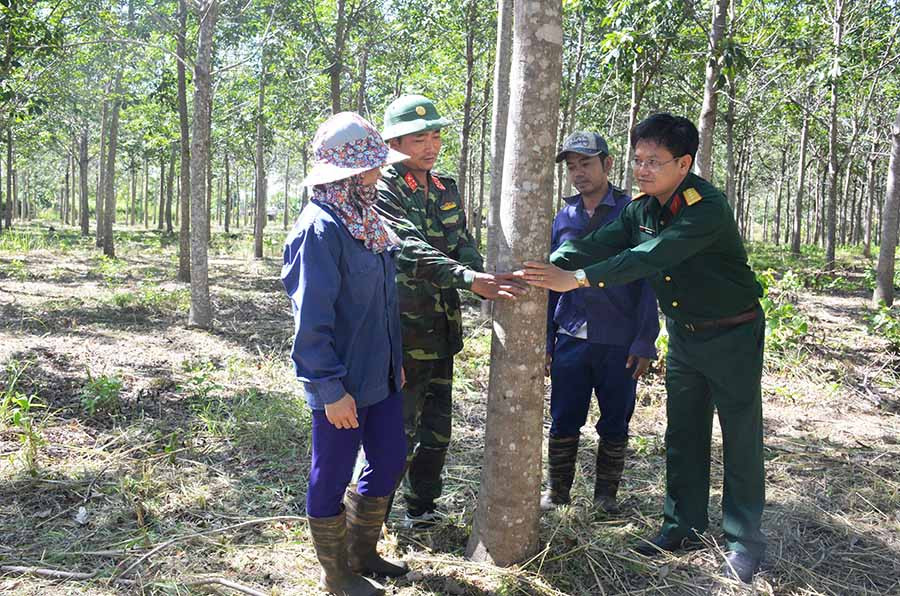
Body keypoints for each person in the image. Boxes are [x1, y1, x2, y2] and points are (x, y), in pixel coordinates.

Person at [520, 113, 766, 583]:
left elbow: (649, 257)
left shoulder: (705, 208)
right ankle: (682, 526)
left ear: (684, 164)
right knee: (683, 433)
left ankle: (743, 541)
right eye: (638, 160)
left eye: (654, 161)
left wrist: (576, 280)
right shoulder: (642, 209)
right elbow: (596, 243)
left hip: (733, 334)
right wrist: (544, 265)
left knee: (739, 436)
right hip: (686, 337)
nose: (643, 170)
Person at [374, 94, 526, 528]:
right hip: (402, 332)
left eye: (436, 136)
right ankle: (371, 520)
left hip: (441, 329)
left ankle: (421, 508)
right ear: (394, 142)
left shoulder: (444, 187)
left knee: (437, 431)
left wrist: (485, 275)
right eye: (419, 139)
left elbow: (461, 241)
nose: (431, 146)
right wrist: (468, 278)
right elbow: (406, 247)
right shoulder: (382, 187)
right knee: (395, 432)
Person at [282, 112, 410, 596]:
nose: (378, 174)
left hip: (382, 375)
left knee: (390, 458)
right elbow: (311, 323)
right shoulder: (319, 230)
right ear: (349, 173)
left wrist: (395, 360)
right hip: (340, 383)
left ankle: (362, 552)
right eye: (370, 166)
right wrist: (330, 390)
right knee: (331, 473)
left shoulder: (366, 221)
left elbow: (382, 302)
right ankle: (336, 574)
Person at [541, 131, 659, 514]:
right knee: (563, 418)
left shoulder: (633, 212)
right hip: (570, 335)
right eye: (572, 166)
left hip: (618, 338)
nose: (579, 173)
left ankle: (606, 497)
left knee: (615, 421)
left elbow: (648, 279)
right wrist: (545, 341)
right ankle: (557, 493)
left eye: (586, 163)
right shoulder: (564, 216)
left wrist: (645, 340)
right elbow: (551, 280)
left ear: (608, 164)